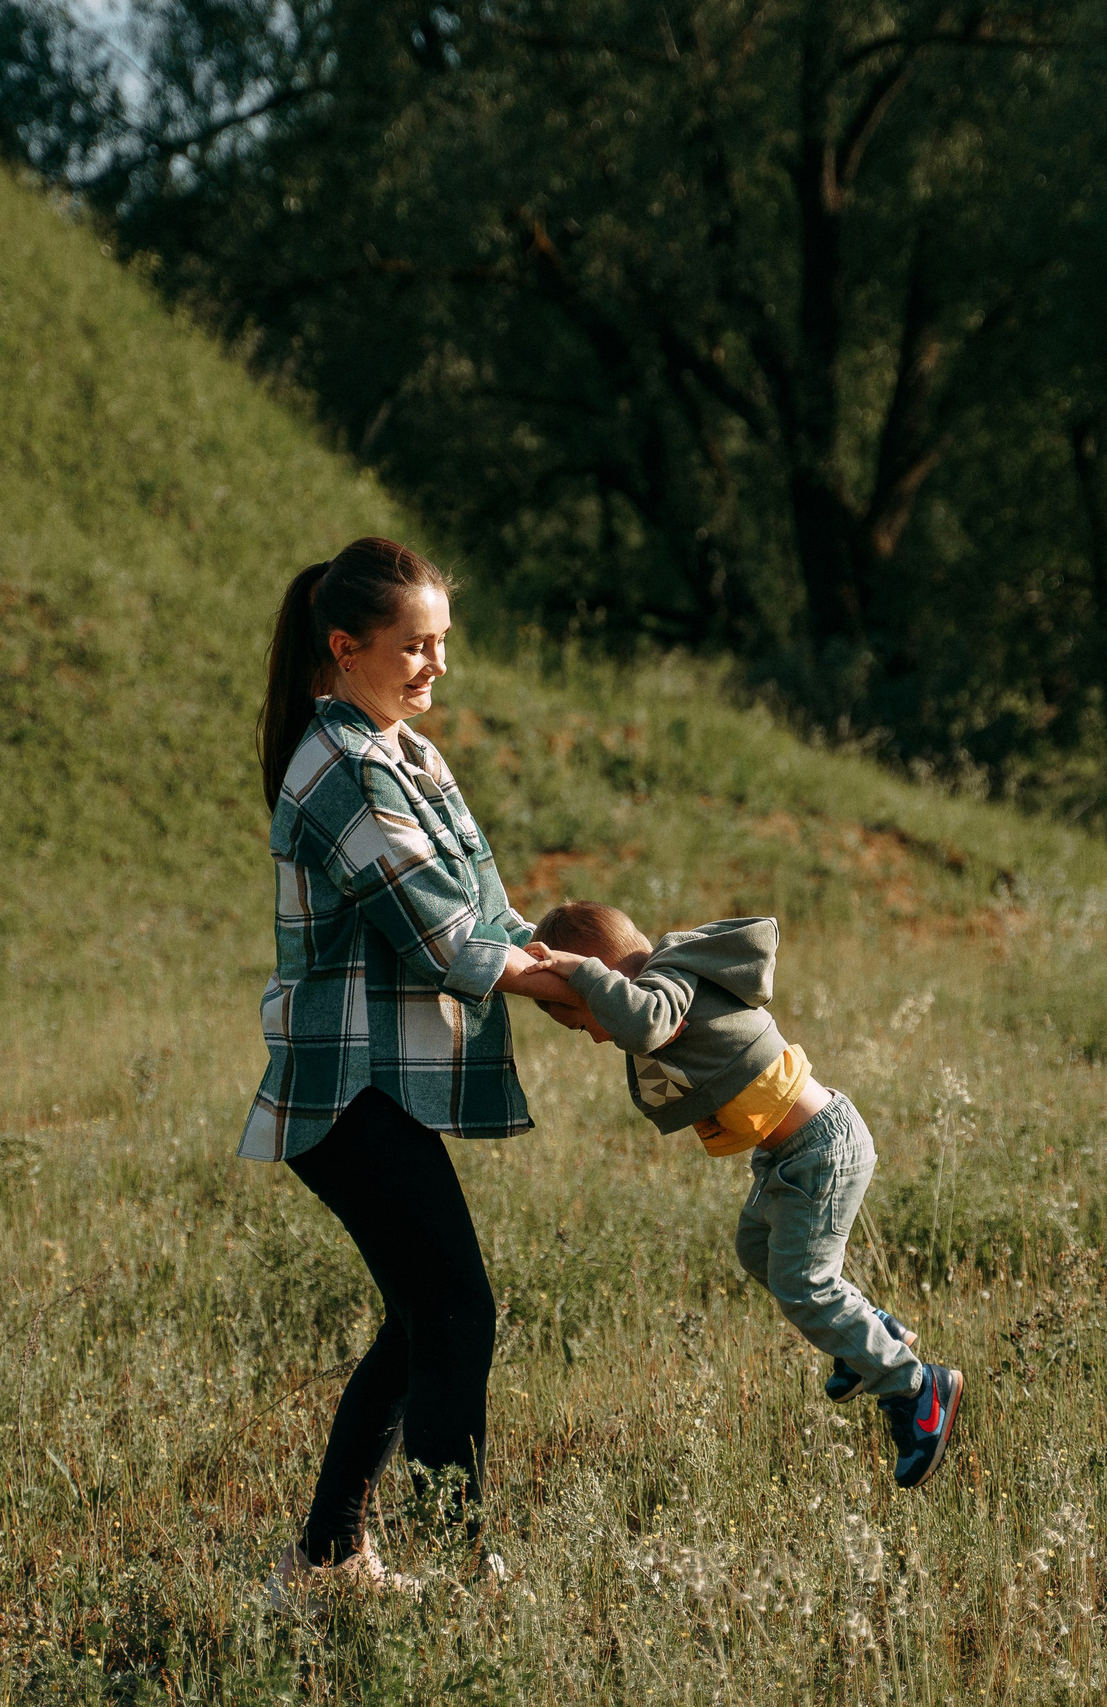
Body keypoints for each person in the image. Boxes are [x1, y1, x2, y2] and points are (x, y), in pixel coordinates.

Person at [245, 539, 574, 1598]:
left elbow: (487, 911)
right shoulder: (341, 767)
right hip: (345, 1090)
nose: (437, 665)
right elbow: (442, 937)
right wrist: (574, 990)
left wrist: (584, 975)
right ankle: (460, 1571)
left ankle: (325, 1557)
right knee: (457, 1313)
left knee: (424, 1316)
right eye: (415, 646)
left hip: (381, 1085)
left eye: (441, 642)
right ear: (346, 648)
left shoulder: (405, 752)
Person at [524, 902, 965, 1489]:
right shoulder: (657, 991)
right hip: (786, 1157)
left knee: (804, 1285)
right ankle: (865, 1332)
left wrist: (583, 976)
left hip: (821, 1148)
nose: (595, 1035)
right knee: (757, 1252)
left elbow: (640, 1023)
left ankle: (916, 1388)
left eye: (584, 1023)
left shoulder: (668, 981)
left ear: (605, 974)